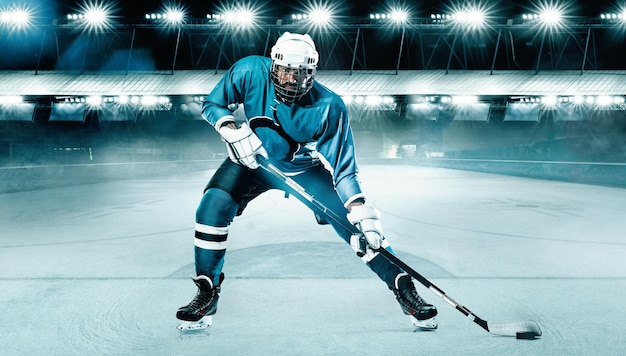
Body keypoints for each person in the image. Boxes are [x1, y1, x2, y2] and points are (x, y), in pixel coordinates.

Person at [176, 32, 437, 330]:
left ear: (312, 72)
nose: (290, 81)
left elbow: (344, 168)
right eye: (285, 71)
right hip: (250, 161)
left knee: (359, 232)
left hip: (302, 171)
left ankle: (404, 289)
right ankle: (207, 293)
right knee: (210, 209)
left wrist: (362, 211)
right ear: (273, 66)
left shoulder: (329, 106)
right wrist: (231, 128)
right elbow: (213, 104)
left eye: (299, 74)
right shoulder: (249, 70)